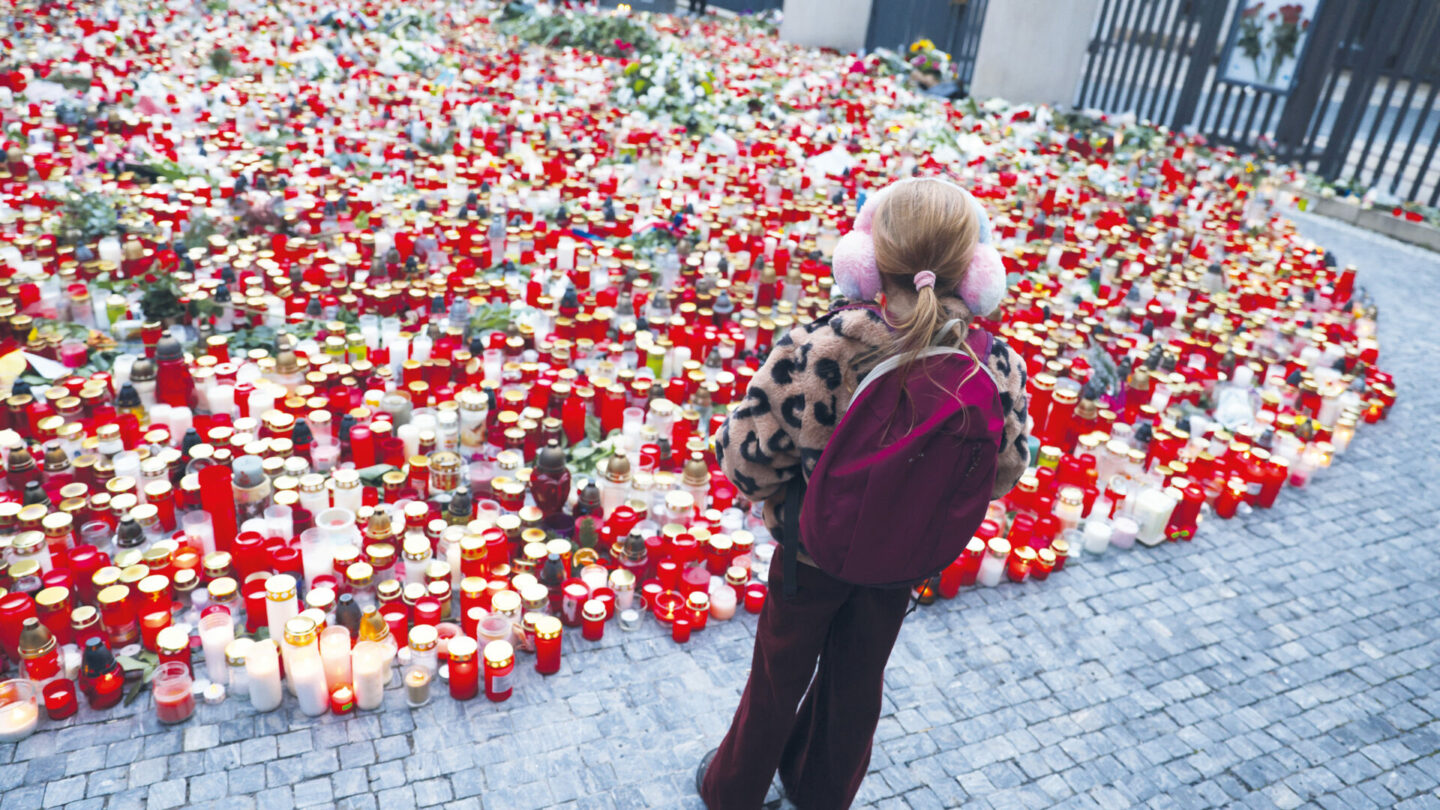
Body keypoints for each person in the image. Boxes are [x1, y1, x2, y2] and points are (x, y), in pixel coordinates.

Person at [697, 178, 1032, 809]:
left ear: (866, 259)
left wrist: (789, 499)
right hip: (900, 562)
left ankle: (731, 790)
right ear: (977, 269)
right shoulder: (995, 363)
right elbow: (1005, 470)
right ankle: (820, 793)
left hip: (808, 552)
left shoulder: (820, 349)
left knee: (776, 678)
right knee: (857, 685)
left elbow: (744, 460)